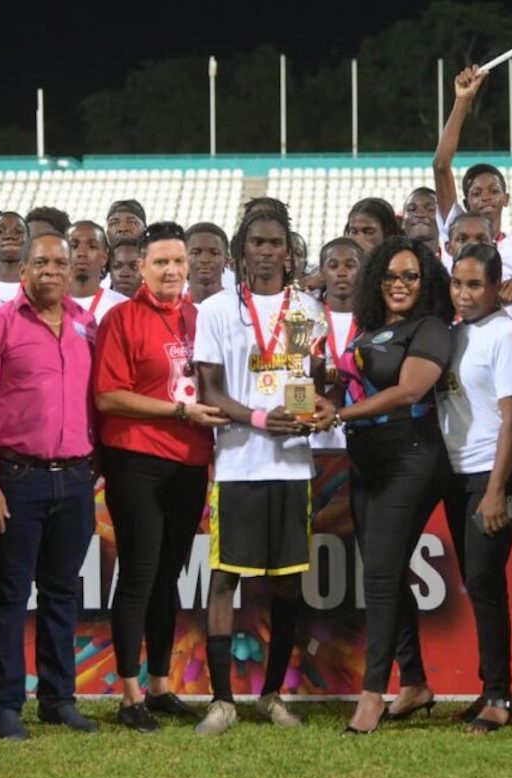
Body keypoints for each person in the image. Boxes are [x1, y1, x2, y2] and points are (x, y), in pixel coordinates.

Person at [192, 206, 331, 736]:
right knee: (225, 577)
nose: (268, 251)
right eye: (258, 242)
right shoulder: (218, 310)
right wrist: (256, 418)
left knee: (289, 582)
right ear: (241, 251)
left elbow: (309, 377)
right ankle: (222, 700)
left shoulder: (306, 310)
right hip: (238, 461)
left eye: (277, 243)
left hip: (292, 465)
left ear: (289, 253)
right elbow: (209, 390)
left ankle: (272, 695)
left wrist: (307, 414)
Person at [94, 222, 229, 733]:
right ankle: (129, 693)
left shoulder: (202, 318)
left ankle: (159, 684)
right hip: (137, 461)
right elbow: (108, 396)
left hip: (191, 462)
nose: (171, 270)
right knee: (139, 574)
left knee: (168, 577)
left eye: (178, 261)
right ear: (141, 268)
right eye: (160, 263)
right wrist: (178, 412)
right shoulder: (121, 320)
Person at [0, 231, 99, 740]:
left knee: (63, 592)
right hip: (15, 477)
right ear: (22, 269)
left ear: (71, 270)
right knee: (9, 594)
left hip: (74, 478)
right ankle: (3, 704)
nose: (50, 270)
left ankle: (57, 698)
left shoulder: (86, 326)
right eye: (40, 262)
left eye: (59, 262)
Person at [330, 236, 453, 734]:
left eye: (410, 276)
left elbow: (409, 391)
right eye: (390, 276)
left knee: (380, 575)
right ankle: (416, 682)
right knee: (387, 570)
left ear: (424, 283)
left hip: (411, 456)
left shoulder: (431, 327)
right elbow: (350, 382)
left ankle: (372, 693)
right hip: (367, 460)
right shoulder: (369, 328)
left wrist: (339, 413)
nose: (399, 285)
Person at [437, 243, 512, 733]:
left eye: (475, 284)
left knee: (483, 581)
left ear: (496, 287)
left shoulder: (505, 336)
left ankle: (499, 693)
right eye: (457, 283)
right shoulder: (455, 335)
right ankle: (489, 687)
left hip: (498, 475)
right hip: (460, 475)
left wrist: (497, 491)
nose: (464, 293)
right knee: (479, 582)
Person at [434, 66, 512, 304]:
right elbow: (441, 166)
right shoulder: (455, 227)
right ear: (465, 203)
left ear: (506, 199)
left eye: (494, 191)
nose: (486, 197)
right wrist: (462, 101)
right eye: (476, 193)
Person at [445, 212, 512, 336]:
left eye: (481, 239)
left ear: (493, 246)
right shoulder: (438, 298)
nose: (472, 245)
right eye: (462, 239)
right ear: (448, 248)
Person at [310, 237, 362, 451]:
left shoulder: (373, 320)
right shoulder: (307, 316)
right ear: (321, 272)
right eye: (333, 265)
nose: (341, 272)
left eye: (350, 265)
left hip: (361, 428)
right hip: (318, 432)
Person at [68, 220, 127, 323]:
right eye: (74, 246)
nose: (82, 253)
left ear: (104, 257)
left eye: (92, 246)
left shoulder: (123, 307)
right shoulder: (42, 304)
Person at [186, 222, 230, 303]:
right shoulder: (172, 309)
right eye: (196, 253)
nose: (205, 260)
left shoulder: (237, 307)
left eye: (214, 253)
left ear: (226, 260)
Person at [0, 211, 28, 300]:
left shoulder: (39, 288)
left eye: (18, 232)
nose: (9, 236)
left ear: (28, 239)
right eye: (0, 231)